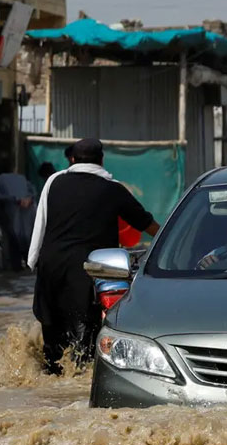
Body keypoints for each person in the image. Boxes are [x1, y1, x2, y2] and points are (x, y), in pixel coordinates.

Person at [29, 138, 160, 374]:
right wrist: (171, 241)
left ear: (72, 159)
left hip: (51, 266)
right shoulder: (113, 189)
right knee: (86, 339)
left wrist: (32, 261)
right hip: (89, 270)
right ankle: (78, 386)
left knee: (52, 335)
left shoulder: (54, 182)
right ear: (101, 160)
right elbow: (146, 223)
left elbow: (41, 223)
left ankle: (48, 385)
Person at [0, 163, 37, 270]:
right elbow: (33, 191)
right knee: (27, 242)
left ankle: (16, 269)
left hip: (11, 214)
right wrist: (27, 199)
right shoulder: (21, 178)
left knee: (12, 246)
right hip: (28, 212)